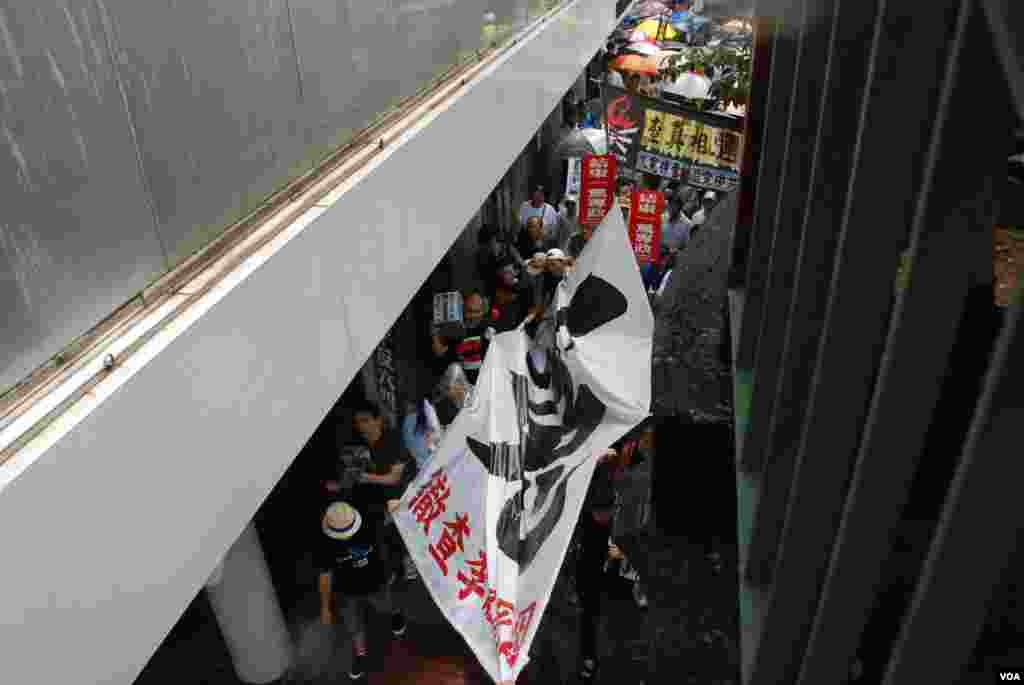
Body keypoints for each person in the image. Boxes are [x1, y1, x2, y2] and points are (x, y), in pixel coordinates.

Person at [318, 497, 407, 681]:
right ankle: (360, 655)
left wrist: (398, 503)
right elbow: (325, 576)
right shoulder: (323, 543)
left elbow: (392, 509)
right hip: (346, 591)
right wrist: (325, 607)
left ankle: (396, 615)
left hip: (376, 582)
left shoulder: (370, 516)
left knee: (387, 604)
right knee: (353, 625)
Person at [352, 402, 415, 584]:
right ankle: (393, 572)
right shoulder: (361, 447)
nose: (362, 426)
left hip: (404, 498)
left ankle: (409, 570)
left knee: (406, 540)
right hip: (381, 502)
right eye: (358, 422)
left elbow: (394, 478)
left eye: (366, 420)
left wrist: (364, 477)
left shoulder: (393, 440)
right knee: (386, 538)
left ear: (378, 420)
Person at [576, 448, 620, 681]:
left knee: (592, 608)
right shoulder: (591, 512)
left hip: (597, 562)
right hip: (589, 562)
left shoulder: (608, 508)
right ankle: (589, 655)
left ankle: (589, 654)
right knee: (589, 608)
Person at [431, 289, 494, 385]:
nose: (472, 316)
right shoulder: (454, 329)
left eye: (477, 312)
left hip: (484, 385)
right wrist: (436, 333)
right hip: (460, 384)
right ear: (462, 309)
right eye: (469, 311)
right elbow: (440, 352)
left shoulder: (487, 330)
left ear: (483, 311)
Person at [433, 362, 473, 429]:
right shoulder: (443, 403)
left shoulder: (475, 394)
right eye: (447, 387)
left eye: (448, 388)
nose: (450, 391)